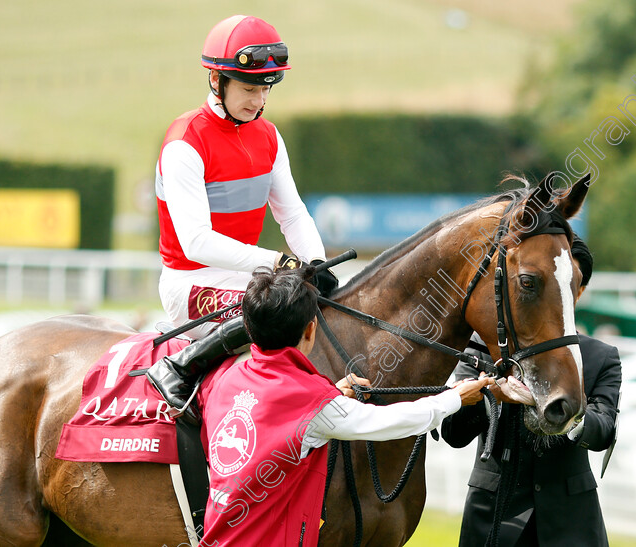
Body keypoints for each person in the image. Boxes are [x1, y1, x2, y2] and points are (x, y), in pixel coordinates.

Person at [197, 266, 493, 546]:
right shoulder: (314, 404)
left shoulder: (226, 378)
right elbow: (391, 422)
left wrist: (330, 395)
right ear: (311, 330)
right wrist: (455, 397)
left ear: (248, 327)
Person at [146, 15, 338, 420]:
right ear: (217, 81)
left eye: (265, 89)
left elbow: (293, 213)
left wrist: (318, 262)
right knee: (278, 315)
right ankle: (179, 366)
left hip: (246, 277)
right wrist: (278, 262)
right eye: (250, 88)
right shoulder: (185, 142)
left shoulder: (268, 135)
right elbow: (196, 241)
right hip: (191, 282)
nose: (259, 101)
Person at [440, 235, 622, 546]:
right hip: (493, 518)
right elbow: (453, 432)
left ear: (577, 290)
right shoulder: (483, 347)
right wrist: (489, 399)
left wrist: (567, 417)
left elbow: (603, 431)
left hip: (572, 523)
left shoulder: (602, 357)